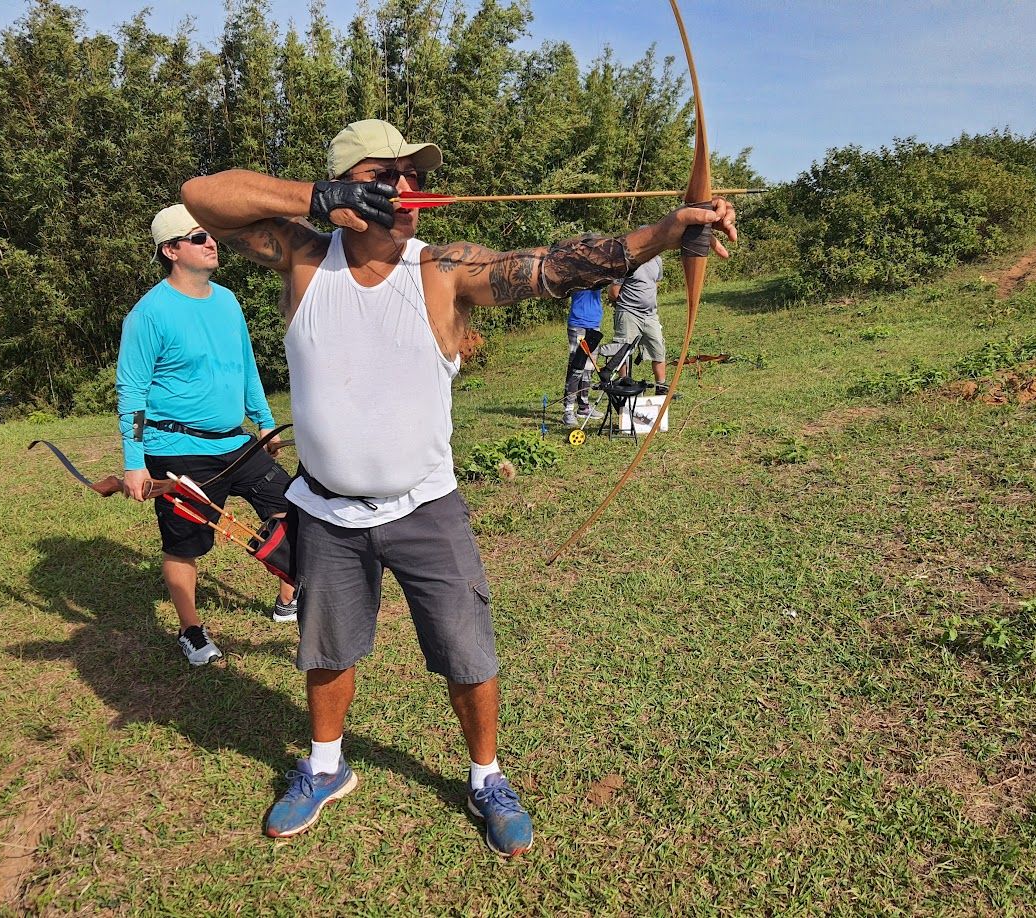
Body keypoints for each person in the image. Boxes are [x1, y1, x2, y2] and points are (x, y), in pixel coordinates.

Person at [181, 118, 737, 856]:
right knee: (326, 649)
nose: (408, 187)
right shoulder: (306, 258)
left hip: (424, 505)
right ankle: (324, 766)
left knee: (467, 652)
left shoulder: (441, 268)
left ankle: (486, 777)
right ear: (348, 184)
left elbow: (547, 266)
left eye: (414, 175)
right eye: (388, 175)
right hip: (325, 509)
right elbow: (201, 194)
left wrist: (665, 233)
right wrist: (320, 198)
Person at [117, 204, 297, 667]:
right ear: (171, 250)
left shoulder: (227, 301)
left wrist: (262, 421)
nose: (211, 242)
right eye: (198, 237)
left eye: (210, 235)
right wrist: (134, 460)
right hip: (176, 448)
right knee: (185, 543)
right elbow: (132, 391)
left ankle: (288, 600)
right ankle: (190, 630)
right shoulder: (149, 313)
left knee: (292, 509)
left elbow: (245, 366)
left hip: (235, 442)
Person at [608, 255, 670, 395]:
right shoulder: (627, 261)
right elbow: (613, 292)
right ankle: (625, 383)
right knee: (624, 348)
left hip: (650, 314)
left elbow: (656, 282)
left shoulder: (657, 260)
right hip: (628, 312)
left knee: (658, 348)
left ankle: (661, 387)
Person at [561, 284, 605, 426]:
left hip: (594, 323)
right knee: (576, 367)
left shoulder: (600, 270)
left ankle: (584, 406)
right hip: (578, 323)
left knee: (589, 368)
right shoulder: (578, 270)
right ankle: (568, 411)